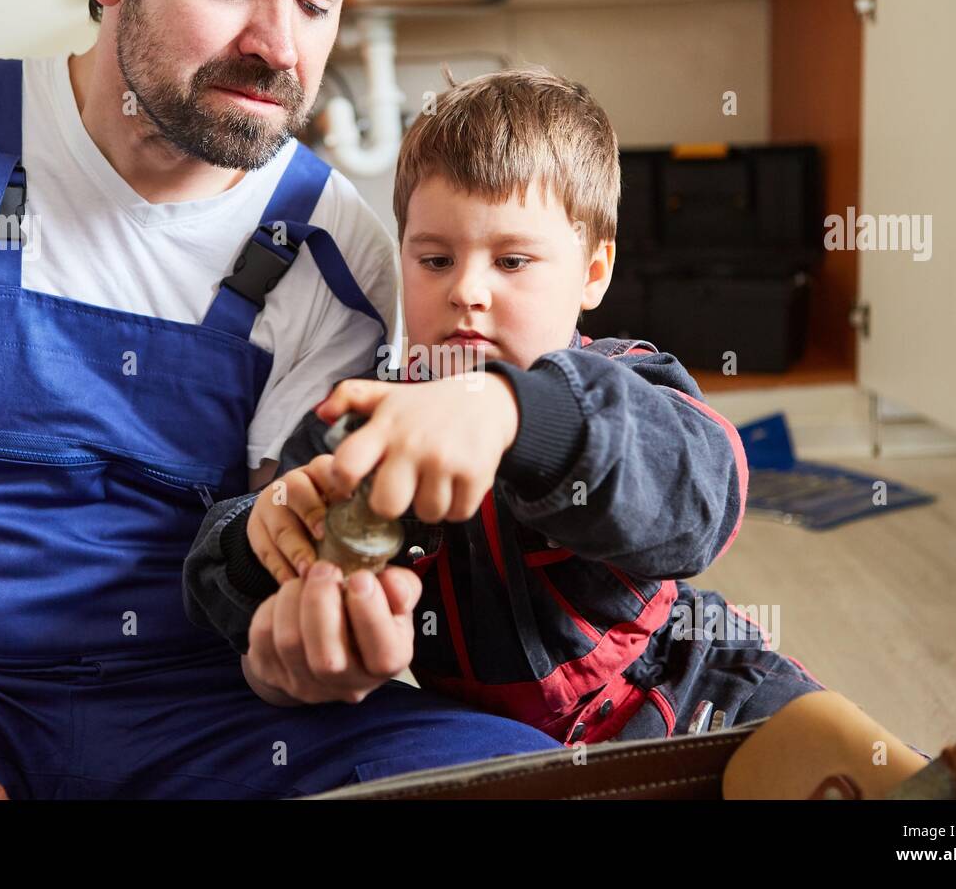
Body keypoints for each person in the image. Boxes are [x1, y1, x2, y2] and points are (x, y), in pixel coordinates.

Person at [0, 0, 562, 800]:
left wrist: (314, 639)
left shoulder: (336, 251)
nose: (279, 47)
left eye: (316, 2)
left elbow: (270, 576)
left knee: (513, 778)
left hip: (205, 723)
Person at [184, 66, 826, 743]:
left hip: (691, 691)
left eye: (512, 261)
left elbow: (702, 492)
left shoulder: (623, 380)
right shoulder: (366, 420)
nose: (468, 291)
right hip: (482, 738)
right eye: (435, 260)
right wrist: (262, 542)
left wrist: (515, 414)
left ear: (594, 272)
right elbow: (213, 583)